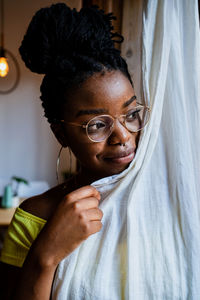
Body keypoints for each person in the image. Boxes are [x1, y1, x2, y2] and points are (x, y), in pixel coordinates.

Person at [0, 3, 149, 299]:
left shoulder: (162, 195)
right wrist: (47, 254)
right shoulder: (33, 217)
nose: (123, 136)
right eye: (97, 124)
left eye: (131, 114)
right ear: (61, 134)